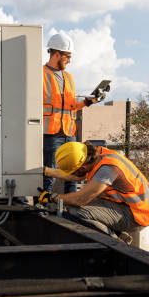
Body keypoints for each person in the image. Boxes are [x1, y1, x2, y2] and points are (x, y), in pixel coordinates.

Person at [40, 141, 149, 240]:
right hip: (126, 206)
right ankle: (120, 235)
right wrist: (46, 171)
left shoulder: (107, 169)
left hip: (138, 214)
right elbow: (78, 176)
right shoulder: (96, 156)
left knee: (78, 213)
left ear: (82, 167)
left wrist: (53, 197)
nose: (73, 174)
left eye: (73, 170)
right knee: (73, 208)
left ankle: (116, 244)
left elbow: (79, 199)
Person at [42, 33, 100, 194]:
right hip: (50, 134)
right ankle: (42, 207)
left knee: (75, 171)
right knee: (49, 174)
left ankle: (71, 207)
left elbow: (71, 106)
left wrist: (88, 102)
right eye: (67, 56)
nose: (69, 60)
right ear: (56, 54)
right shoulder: (40, 74)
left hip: (69, 132)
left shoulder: (69, 78)